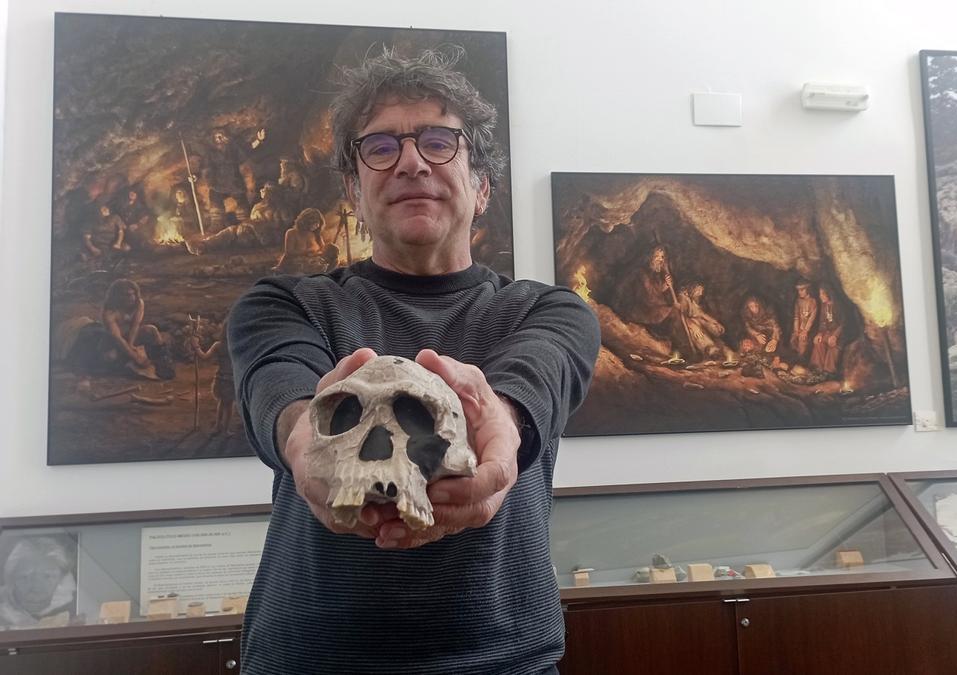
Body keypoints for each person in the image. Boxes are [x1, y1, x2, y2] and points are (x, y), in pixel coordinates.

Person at [227, 48, 599, 675]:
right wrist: (302, 440)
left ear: (482, 186)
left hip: (505, 661)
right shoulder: (282, 305)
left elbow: (532, 381)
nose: (410, 162)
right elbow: (283, 391)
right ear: (354, 191)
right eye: (380, 147)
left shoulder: (552, 312)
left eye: (438, 141)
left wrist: (499, 422)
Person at [61, 278, 173, 380]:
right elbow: (117, 338)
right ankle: (126, 364)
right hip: (112, 341)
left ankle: (163, 360)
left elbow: (135, 326)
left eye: (133, 294)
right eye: (127, 295)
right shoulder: (109, 312)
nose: (132, 298)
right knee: (111, 357)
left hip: (129, 337)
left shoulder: (138, 303)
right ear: (117, 296)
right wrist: (135, 357)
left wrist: (131, 345)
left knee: (151, 330)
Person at [0, 537, 76, 629]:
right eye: (25, 577)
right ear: (11, 579)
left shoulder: (80, 608)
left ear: (61, 579)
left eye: (47, 577)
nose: (36, 589)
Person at [272, 207, 339, 274]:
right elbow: (289, 252)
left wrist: (326, 252)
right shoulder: (291, 233)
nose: (317, 225)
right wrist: (306, 253)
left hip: (314, 262)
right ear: (305, 221)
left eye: (318, 223)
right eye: (314, 222)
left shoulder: (316, 235)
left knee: (335, 261)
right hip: (296, 263)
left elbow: (323, 250)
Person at [677, 282, 726, 360]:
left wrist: (715, 322)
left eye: (701, 291)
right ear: (693, 288)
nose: (700, 293)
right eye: (699, 290)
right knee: (698, 333)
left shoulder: (693, 299)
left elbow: (700, 313)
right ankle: (710, 349)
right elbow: (682, 316)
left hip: (696, 320)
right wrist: (692, 325)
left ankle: (715, 348)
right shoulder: (683, 298)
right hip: (687, 323)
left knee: (713, 327)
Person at [809, 285, 845, 376]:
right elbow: (822, 323)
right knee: (818, 343)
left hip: (839, 335)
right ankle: (817, 369)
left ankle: (829, 372)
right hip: (827, 333)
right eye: (820, 294)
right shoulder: (824, 306)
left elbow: (842, 324)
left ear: (828, 294)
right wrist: (819, 334)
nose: (820, 296)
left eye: (822, 294)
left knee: (832, 346)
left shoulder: (838, 305)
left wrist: (835, 336)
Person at [789, 281, 818, 364]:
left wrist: (805, 331)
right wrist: (796, 330)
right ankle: (795, 360)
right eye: (798, 290)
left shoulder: (813, 301)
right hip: (800, 328)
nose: (800, 292)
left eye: (802, 290)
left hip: (810, 329)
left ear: (808, 289)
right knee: (793, 339)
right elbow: (796, 317)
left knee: (802, 340)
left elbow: (811, 319)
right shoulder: (798, 301)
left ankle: (802, 362)